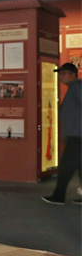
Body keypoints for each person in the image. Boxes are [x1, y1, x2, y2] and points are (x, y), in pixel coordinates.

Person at [42, 62, 81, 205]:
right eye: (59, 74)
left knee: (65, 166)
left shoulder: (77, 87)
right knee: (80, 165)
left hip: (77, 136)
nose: (60, 77)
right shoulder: (74, 88)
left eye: (63, 74)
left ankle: (58, 196)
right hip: (76, 134)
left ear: (73, 74)